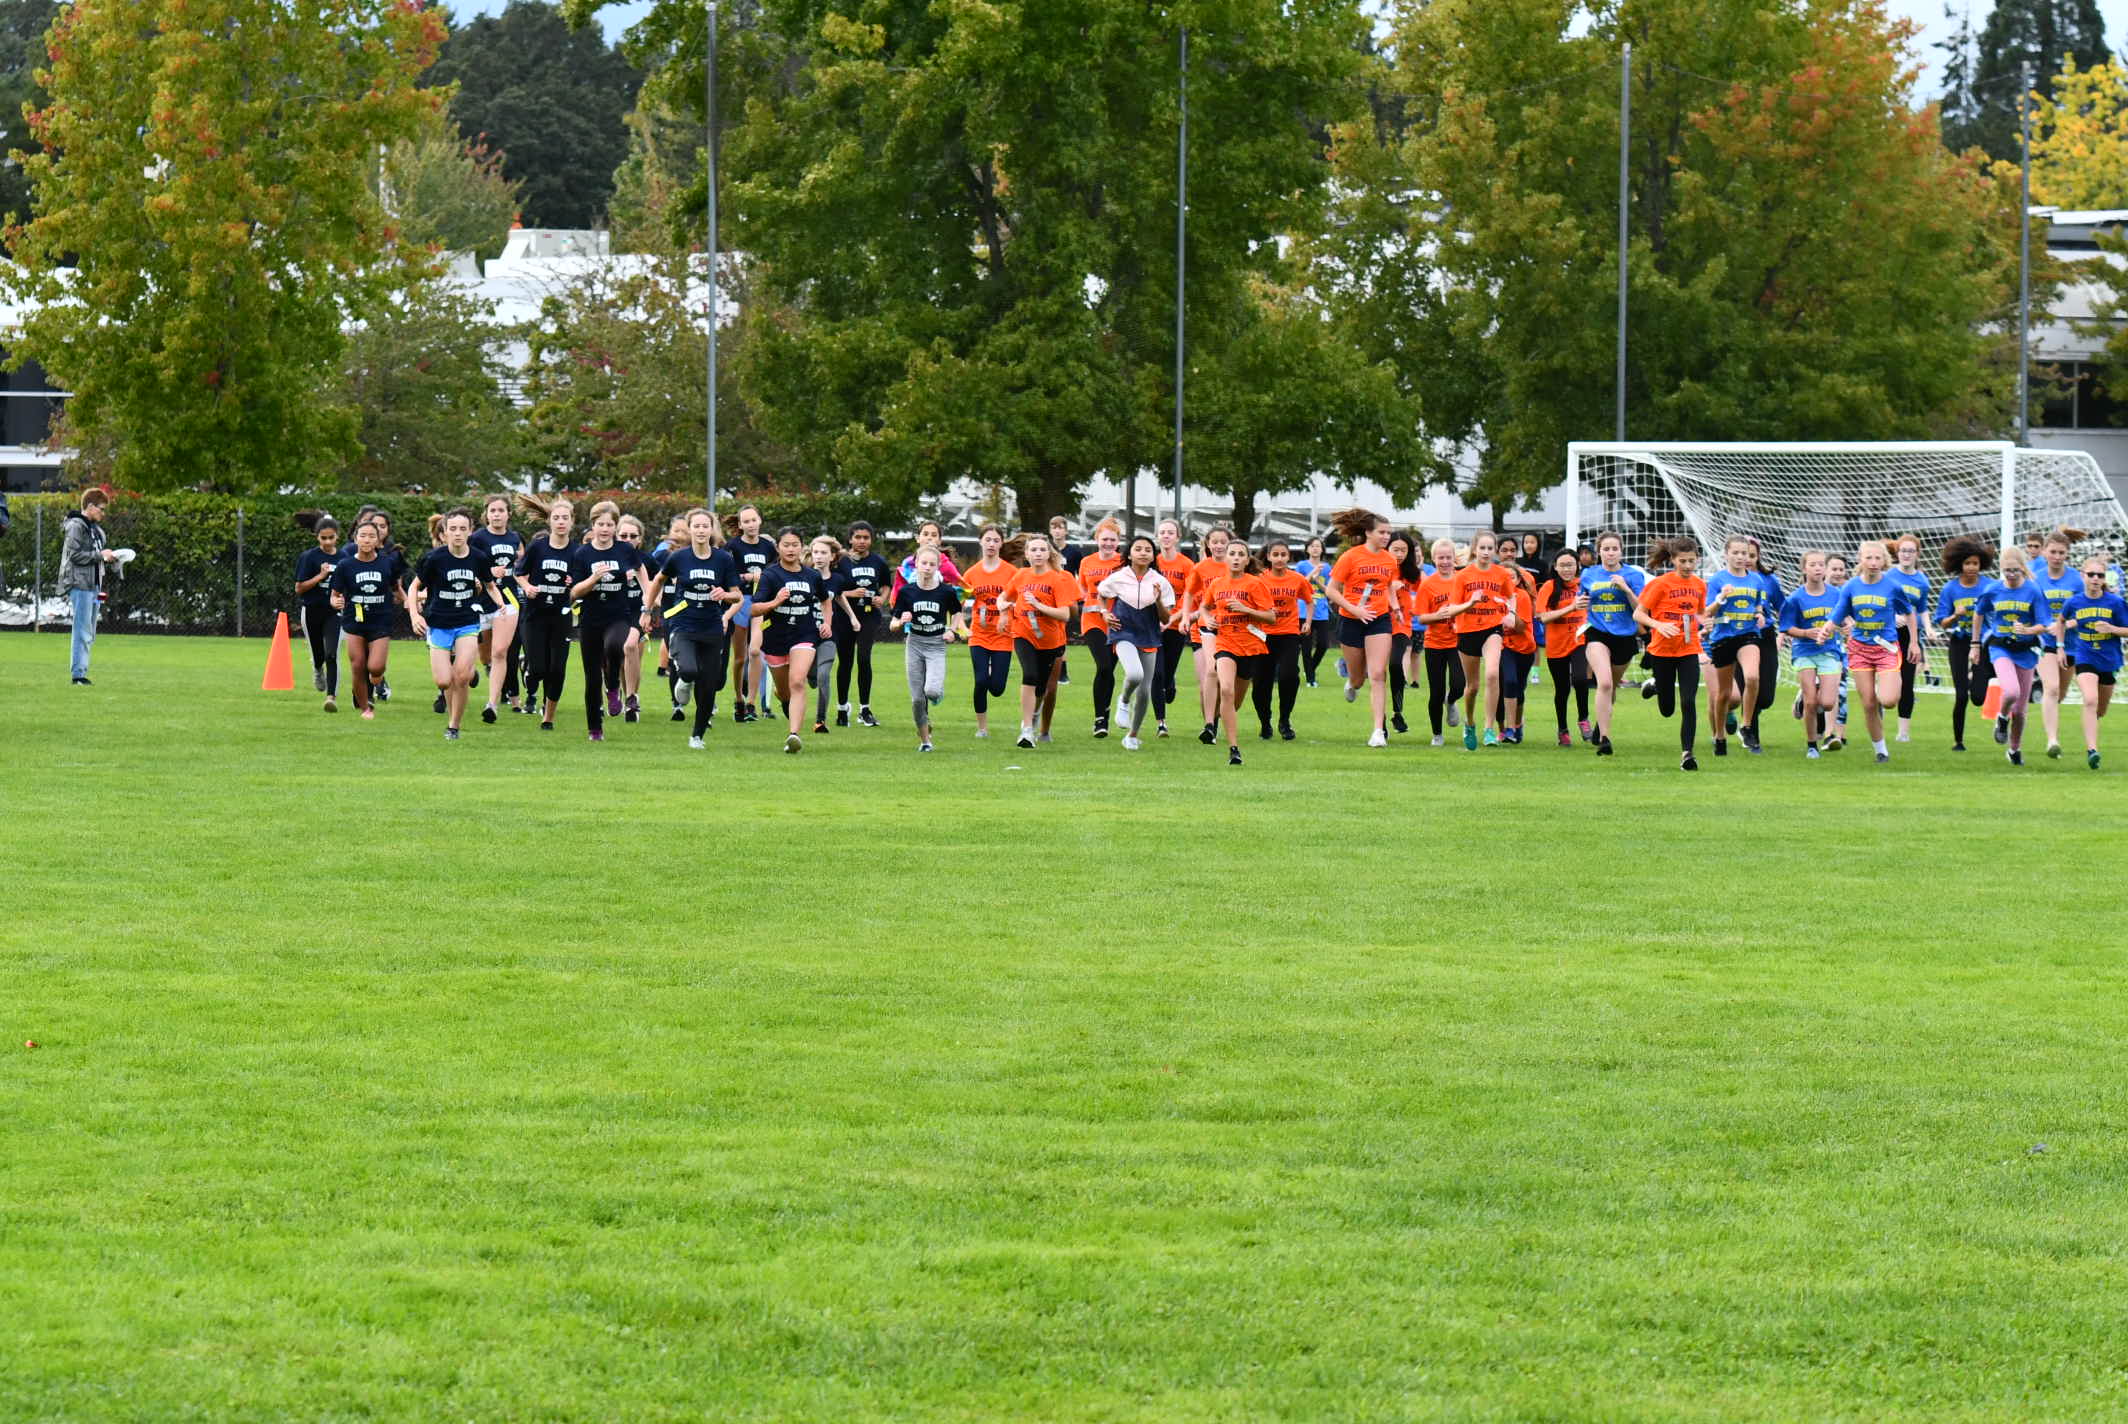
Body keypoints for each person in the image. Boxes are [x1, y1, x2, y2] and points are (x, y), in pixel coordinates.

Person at [642, 508, 738, 750]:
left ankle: (697, 735)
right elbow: (658, 581)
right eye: (697, 526)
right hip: (684, 625)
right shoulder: (679, 558)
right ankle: (683, 679)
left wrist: (724, 594)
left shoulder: (723, 559)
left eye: (706, 526)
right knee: (689, 669)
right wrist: (647, 609)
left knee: (709, 686)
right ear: (690, 529)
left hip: (712, 627)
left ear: (712, 529)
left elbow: (737, 596)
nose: (701, 530)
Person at [407, 509, 504, 741]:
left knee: (460, 677)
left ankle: (454, 726)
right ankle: (467, 674)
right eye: (453, 529)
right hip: (438, 623)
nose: (458, 533)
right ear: (444, 533)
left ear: (470, 531)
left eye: (463, 529)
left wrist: (501, 604)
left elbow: (490, 585)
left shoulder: (479, 558)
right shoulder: (434, 559)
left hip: (467, 622)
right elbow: (414, 588)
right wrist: (414, 615)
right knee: (443, 680)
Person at [568, 501, 650, 743]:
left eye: (609, 524)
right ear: (592, 526)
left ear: (615, 526)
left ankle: (613, 687)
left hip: (618, 615)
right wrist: (593, 579)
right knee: (592, 677)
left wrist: (647, 595)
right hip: (591, 619)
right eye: (600, 524)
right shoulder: (583, 554)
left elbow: (641, 569)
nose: (605, 529)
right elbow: (574, 592)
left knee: (616, 646)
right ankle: (595, 729)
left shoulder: (624, 550)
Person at [1830, 539, 1917, 764]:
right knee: (1868, 704)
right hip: (1859, 649)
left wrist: (1914, 643)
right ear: (1861, 560)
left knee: (1888, 701)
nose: (1873, 562)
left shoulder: (1892, 586)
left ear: (1884, 561)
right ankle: (1881, 750)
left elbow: (1909, 613)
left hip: (1886, 648)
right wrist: (1826, 630)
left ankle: (1882, 685)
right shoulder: (1851, 587)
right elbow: (1838, 614)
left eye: (1878, 558)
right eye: (1869, 557)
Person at [750, 526, 831, 752]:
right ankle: (782, 697)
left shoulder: (812, 575)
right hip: (775, 637)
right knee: (785, 691)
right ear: (778, 547)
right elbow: (755, 609)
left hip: (804, 634)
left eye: (795, 544)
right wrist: (775, 602)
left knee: (797, 681)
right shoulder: (770, 575)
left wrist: (826, 623)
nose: (791, 549)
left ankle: (793, 736)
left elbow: (826, 601)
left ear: (802, 547)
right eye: (786, 545)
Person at [1096, 535, 1180, 750]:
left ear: (1153, 556)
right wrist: (1105, 613)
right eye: (1138, 548)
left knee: (1144, 690)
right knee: (1135, 674)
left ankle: (1132, 735)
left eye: (1148, 550)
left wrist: (1159, 599)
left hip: (1149, 634)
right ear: (1130, 553)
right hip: (1122, 631)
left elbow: (1165, 619)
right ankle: (1123, 701)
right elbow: (1101, 594)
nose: (1143, 552)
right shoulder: (1119, 577)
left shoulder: (1160, 581)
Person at [1633, 536, 1707, 771]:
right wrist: (1658, 625)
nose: (1687, 566)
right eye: (1683, 561)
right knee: (1667, 709)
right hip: (1662, 651)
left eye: (1691, 561)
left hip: (1688, 650)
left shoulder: (1699, 585)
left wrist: (1708, 622)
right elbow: (1638, 614)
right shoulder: (1660, 584)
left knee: (1688, 701)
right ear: (1673, 560)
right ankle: (1655, 685)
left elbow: (1700, 614)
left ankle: (1688, 754)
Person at [1326, 509, 1399, 747]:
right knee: (1359, 679)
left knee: (1378, 674)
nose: (1386, 536)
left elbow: (1387, 586)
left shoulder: (1389, 559)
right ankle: (1351, 680)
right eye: (1382, 532)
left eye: (1389, 533)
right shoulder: (1350, 557)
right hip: (1352, 619)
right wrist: (1354, 609)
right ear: (1368, 532)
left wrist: (1394, 605)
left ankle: (1378, 731)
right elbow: (1332, 590)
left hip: (1379, 620)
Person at [1003, 532, 1081, 748]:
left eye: (1042, 549)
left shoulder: (1058, 578)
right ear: (1026, 554)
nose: (1038, 553)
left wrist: (1038, 605)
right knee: (1030, 674)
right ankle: (1026, 730)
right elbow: (1004, 597)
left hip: (1052, 640)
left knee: (1044, 688)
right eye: (1033, 550)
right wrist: (1002, 610)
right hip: (1023, 632)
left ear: (1049, 553)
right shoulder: (1020, 576)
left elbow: (1066, 614)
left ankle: (1037, 717)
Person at [1974, 546, 2050, 765]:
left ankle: (2014, 750)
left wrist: (2028, 630)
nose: (2011, 575)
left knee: (2022, 710)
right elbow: (1978, 613)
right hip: (2000, 647)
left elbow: (2043, 624)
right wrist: (1975, 644)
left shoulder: (2033, 591)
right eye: (2007, 570)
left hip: (2025, 650)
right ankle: (2001, 717)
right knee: (2011, 691)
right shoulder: (1993, 590)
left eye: (2015, 570)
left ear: (2023, 569)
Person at [1202, 536, 1274, 765]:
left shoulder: (1254, 584)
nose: (1235, 558)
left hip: (1251, 645)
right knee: (1225, 690)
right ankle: (1234, 748)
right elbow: (1205, 606)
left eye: (1240, 554)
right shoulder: (1217, 584)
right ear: (1226, 558)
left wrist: (1245, 608)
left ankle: (1215, 720)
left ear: (1246, 561)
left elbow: (1271, 617)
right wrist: (1208, 619)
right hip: (1225, 642)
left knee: (1235, 702)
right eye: (1232, 553)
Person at [1576, 531, 1645, 757]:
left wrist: (1625, 589)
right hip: (1597, 633)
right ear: (1599, 552)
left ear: (1621, 551)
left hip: (1624, 637)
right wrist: (1580, 602)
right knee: (1604, 683)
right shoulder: (1589, 573)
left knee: (1611, 687)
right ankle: (1605, 739)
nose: (1610, 553)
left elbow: (1641, 609)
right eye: (1606, 549)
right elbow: (1581, 599)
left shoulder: (1633, 575)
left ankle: (1600, 723)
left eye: (1614, 548)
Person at [890, 544, 964, 752]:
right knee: (917, 699)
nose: (928, 567)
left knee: (931, 691)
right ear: (917, 565)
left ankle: (937, 694)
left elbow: (957, 612)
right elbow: (893, 623)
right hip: (914, 644)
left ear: (938, 567)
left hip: (936, 646)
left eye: (932, 564)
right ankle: (925, 741)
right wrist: (900, 621)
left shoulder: (946, 591)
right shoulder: (907, 592)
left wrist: (953, 630)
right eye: (924, 563)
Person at [1702, 535, 1771, 757]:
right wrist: (1721, 597)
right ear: (1726, 555)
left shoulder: (1757, 580)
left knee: (1752, 677)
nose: (1741, 557)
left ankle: (1747, 726)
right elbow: (1707, 612)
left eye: (1745, 553)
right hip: (1723, 637)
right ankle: (1719, 736)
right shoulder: (1717, 580)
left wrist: (1759, 615)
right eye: (1736, 553)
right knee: (1723, 695)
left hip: (1748, 635)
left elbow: (1759, 605)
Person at [2057, 555, 2128, 769]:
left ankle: (2092, 727)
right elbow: (2060, 622)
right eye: (2091, 574)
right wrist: (2060, 648)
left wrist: (2113, 629)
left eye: (2100, 575)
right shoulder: (2074, 602)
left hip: (2108, 659)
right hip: (2085, 656)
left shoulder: (2115, 602)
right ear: (2083, 576)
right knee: (2089, 699)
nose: (2095, 579)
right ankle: (2092, 750)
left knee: (2100, 710)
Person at [514, 496, 576, 732]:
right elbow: (519, 573)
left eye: (565, 518)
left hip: (561, 616)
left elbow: (581, 583)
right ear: (550, 521)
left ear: (572, 522)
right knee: (539, 669)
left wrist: (574, 583)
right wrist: (527, 587)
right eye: (556, 518)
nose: (561, 522)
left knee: (557, 669)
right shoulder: (538, 547)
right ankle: (527, 666)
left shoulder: (576, 551)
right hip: (535, 615)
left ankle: (548, 717)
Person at [327, 519, 400, 720]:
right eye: (363, 535)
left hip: (381, 621)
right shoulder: (345, 565)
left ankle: (377, 679)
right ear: (355, 538)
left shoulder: (387, 562)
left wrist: (410, 601)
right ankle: (366, 708)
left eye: (371, 536)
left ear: (378, 540)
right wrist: (335, 602)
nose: (367, 539)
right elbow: (334, 594)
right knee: (358, 664)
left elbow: (395, 588)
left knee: (375, 667)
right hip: (354, 621)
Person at [1448, 531, 1515, 749]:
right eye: (1482, 548)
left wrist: (1511, 614)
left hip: (1492, 629)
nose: (1486, 552)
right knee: (1472, 687)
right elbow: (1452, 608)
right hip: (1467, 632)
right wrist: (1470, 604)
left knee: (1493, 673)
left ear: (1495, 550)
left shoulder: (1501, 574)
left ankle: (1489, 729)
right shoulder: (1463, 576)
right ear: (1474, 549)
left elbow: (1510, 595)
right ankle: (1469, 722)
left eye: (1490, 548)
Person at [1779, 550, 1844, 759]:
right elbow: (1787, 627)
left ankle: (1808, 695)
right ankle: (1812, 746)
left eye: (1820, 565)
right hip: (1804, 651)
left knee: (1827, 703)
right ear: (1804, 569)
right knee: (1811, 702)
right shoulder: (1796, 598)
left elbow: (1843, 618)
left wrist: (1846, 626)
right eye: (1813, 565)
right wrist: (1806, 632)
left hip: (1829, 651)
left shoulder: (1836, 594)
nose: (1817, 568)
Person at [2029, 527, 2086, 760]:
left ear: (2067, 553)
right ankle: (2052, 741)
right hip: (2044, 642)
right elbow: (2029, 609)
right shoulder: (2036, 579)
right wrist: (2042, 626)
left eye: (2062, 552)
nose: (2057, 556)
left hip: (2071, 643)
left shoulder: (2076, 579)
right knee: (2050, 688)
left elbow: (2085, 612)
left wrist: (2066, 624)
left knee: (2059, 693)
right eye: (2053, 551)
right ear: (2044, 552)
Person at [1935, 535, 1994, 752]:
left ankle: (1983, 679)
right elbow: (1941, 621)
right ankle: (1958, 741)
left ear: (1982, 564)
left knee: (1978, 698)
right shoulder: (1950, 589)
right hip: (1959, 643)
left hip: (1983, 643)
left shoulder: (1990, 587)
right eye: (1967, 563)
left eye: (1975, 563)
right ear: (1959, 563)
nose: (1971, 567)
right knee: (1961, 695)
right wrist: (1954, 617)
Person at [469, 494, 525, 722]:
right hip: (480, 600)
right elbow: (468, 565)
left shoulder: (514, 538)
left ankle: (492, 704)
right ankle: (468, 673)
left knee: (500, 652)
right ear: (486, 514)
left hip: (507, 598)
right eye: (493, 511)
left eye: (501, 510)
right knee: (474, 652)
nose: (497, 514)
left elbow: (520, 565)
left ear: (508, 514)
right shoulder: (477, 538)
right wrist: (489, 573)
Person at [834, 521, 892, 727]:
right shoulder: (842, 562)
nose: (861, 541)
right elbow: (834, 589)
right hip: (845, 616)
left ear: (871, 540)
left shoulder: (878, 561)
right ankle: (842, 709)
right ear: (850, 539)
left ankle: (864, 709)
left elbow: (886, 585)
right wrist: (850, 593)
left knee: (864, 657)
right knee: (846, 661)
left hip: (868, 615)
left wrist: (882, 599)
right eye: (857, 537)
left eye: (866, 537)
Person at [1252, 540, 1312, 741]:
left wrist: (1308, 622)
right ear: (1268, 556)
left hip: (1289, 633)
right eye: (1275, 554)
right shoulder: (1259, 579)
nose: (1279, 558)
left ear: (1289, 557)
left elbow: (1310, 600)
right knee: (1261, 682)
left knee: (1289, 676)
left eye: (1283, 555)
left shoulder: (1297, 579)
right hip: (1263, 635)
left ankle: (1285, 720)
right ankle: (1265, 721)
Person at [961, 524, 1016, 739]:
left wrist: (1007, 611)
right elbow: (959, 599)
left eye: (995, 540)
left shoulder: (1011, 572)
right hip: (979, 635)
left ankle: (996, 671)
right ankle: (982, 728)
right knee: (981, 680)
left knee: (997, 688)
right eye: (988, 540)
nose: (991, 544)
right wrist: (959, 624)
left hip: (1003, 634)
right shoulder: (972, 573)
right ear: (980, 542)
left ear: (1001, 543)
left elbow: (1017, 600)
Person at [1180, 526, 1233, 742]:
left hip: (1231, 629)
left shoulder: (1236, 566)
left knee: (1226, 683)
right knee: (1208, 677)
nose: (1219, 545)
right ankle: (1209, 725)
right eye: (1215, 541)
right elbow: (1189, 593)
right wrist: (1185, 617)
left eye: (1223, 541)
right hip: (1205, 626)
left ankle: (1218, 719)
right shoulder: (1201, 568)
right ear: (1208, 544)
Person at [61, 488, 118, 684]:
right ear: (91, 506)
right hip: (80, 584)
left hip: (94, 585)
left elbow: (95, 555)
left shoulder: (96, 530)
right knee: (82, 631)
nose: (103, 513)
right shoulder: (76, 526)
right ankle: (78, 675)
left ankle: (81, 672)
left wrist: (109, 556)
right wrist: (100, 556)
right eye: (101, 509)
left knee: (89, 631)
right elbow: (74, 555)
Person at [725, 504, 775, 723]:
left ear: (760, 521)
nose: (751, 525)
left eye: (754, 520)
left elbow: (775, 572)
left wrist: (764, 580)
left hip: (760, 603)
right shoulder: (733, 547)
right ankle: (738, 699)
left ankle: (752, 703)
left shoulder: (768, 547)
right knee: (739, 658)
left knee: (756, 652)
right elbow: (727, 576)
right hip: (740, 602)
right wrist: (747, 578)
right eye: (746, 521)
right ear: (740, 524)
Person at [1075, 521, 1125, 737]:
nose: (1108, 543)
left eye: (1112, 540)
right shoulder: (1087, 561)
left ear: (1118, 542)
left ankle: (1104, 716)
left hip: (1116, 622)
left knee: (1109, 670)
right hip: (1092, 620)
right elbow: (1083, 589)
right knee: (1103, 666)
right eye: (1104, 539)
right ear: (1097, 539)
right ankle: (1099, 719)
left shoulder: (1123, 563)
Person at [1535, 550, 1590, 747]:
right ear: (1555, 567)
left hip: (1579, 640)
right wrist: (1571, 607)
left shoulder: (1584, 584)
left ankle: (1584, 719)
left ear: (1577, 566)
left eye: (1570, 564)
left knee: (1580, 679)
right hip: (1556, 645)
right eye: (1563, 565)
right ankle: (1563, 729)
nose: (1567, 569)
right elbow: (1543, 617)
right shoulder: (1549, 587)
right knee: (1562, 689)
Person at [808, 534, 862, 735]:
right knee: (812, 676)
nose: (819, 556)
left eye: (823, 553)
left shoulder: (838, 579)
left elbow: (839, 597)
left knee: (823, 675)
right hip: (805, 634)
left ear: (832, 557)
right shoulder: (805, 575)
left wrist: (852, 618)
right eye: (816, 552)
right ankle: (810, 675)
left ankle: (820, 720)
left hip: (828, 634)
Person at [1416, 538, 1465, 746]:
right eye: (1441, 557)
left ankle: (1451, 700)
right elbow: (1421, 618)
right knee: (1435, 692)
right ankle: (1437, 734)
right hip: (1435, 643)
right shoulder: (1427, 585)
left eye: (1448, 557)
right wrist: (1438, 615)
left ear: (1455, 558)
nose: (1445, 561)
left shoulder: (1462, 580)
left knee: (1459, 684)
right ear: (1433, 559)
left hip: (1458, 642)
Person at [1151, 519, 1197, 736]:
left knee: (1167, 674)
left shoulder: (1187, 565)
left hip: (1176, 625)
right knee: (1156, 674)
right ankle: (1161, 722)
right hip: (1152, 627)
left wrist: (1171, 619)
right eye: (1162, 532)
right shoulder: (1152, 561)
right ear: (1157, 536)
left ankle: (1171, 683)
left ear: (1178, 537)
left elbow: (1188, 597)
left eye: (1170, 532)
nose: (1166, 536)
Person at [293, 513, 342, 712]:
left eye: (331, 537)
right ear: (317, 537)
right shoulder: (309, 557)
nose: (328, 542)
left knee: (332, 653)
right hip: (312, 610)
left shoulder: (343, 557)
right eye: (324, 538)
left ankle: (331, 696)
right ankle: (316, 668)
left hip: (333, 613)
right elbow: (299, 588)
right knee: (318, 653)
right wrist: (320, 576)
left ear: (337, 536)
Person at [1296, 536, 1335, 686]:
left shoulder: (1327, 568)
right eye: (1312, 546)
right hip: (1304, 610)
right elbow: (1300, 585)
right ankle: (1311, 680)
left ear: (1322, 550)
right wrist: (1312, 574)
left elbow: (1329, 591)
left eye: (1318, 546)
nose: (1315, 548)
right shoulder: (1301, 565)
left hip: (1322, 611)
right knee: (1306, 647)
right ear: (1307, 549)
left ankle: (1310, 669)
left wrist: (1318, 579)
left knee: (1323, 644)